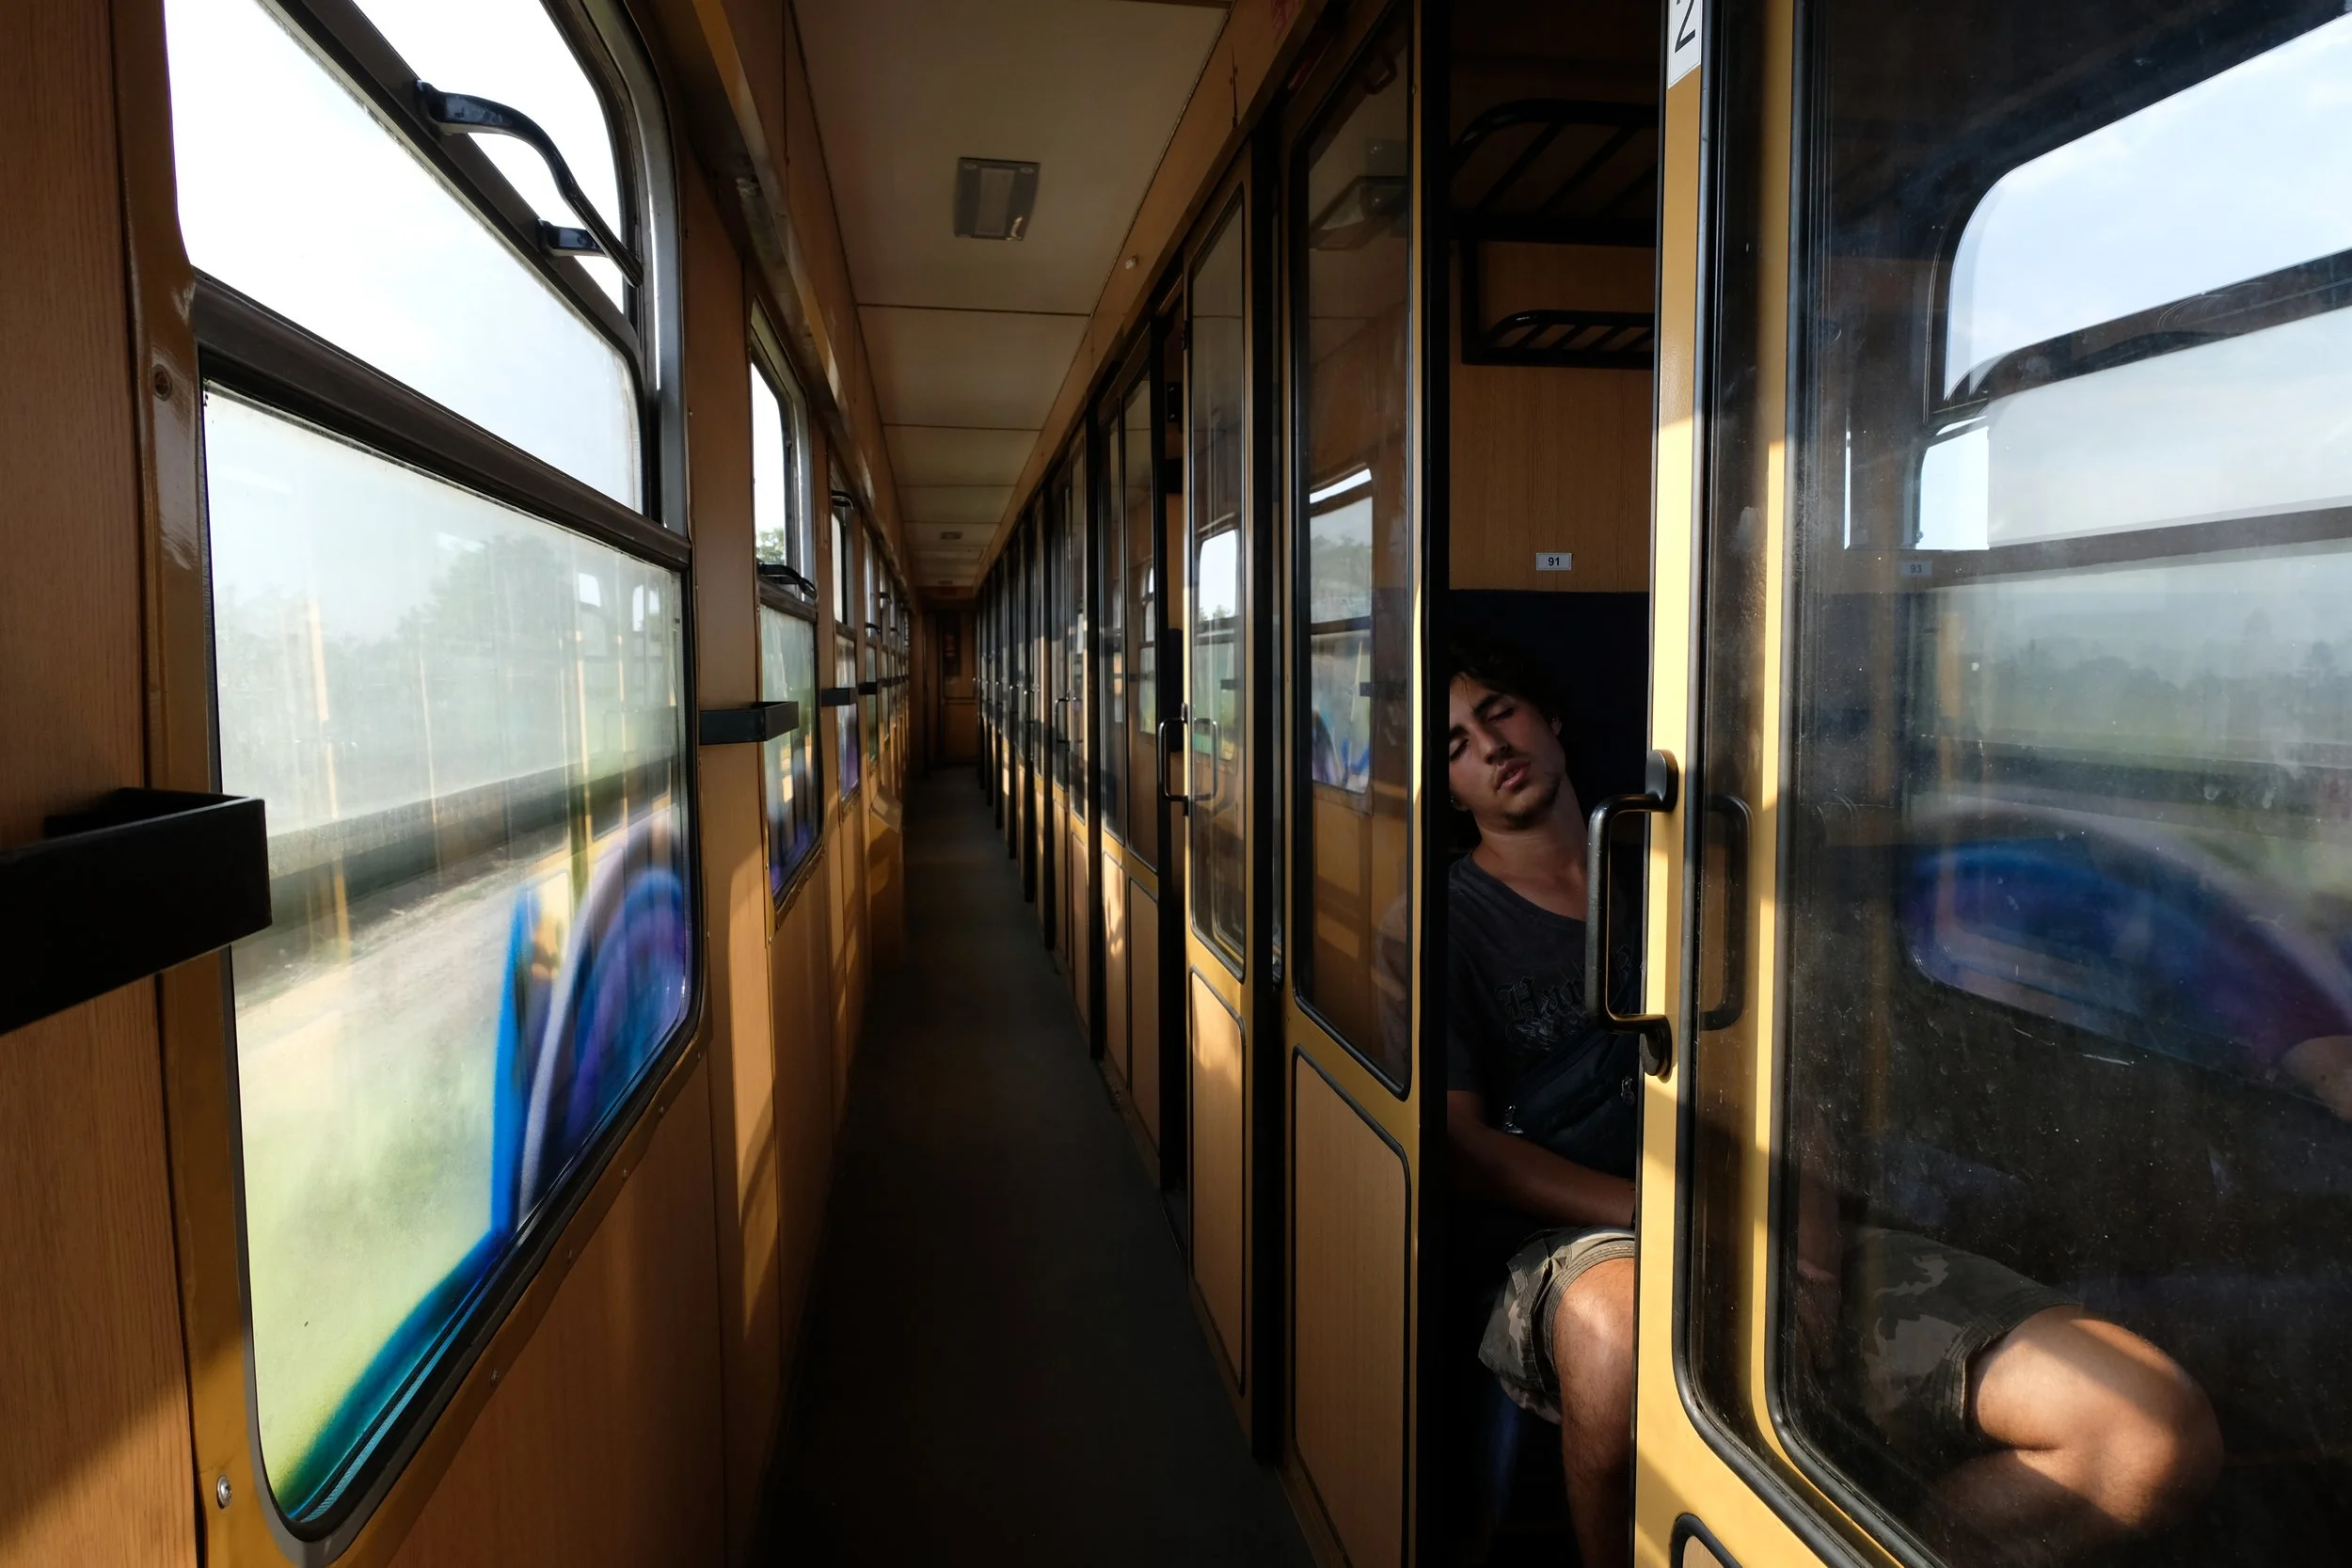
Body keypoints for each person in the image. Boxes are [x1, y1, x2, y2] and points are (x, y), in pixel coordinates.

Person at [1439, 634, 2222, 1568]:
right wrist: (1675, 1212)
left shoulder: (1696, 866)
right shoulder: (1447, 920)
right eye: (1454, 746)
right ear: (1448, 790)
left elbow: (1777, 1066)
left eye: (1500, 714)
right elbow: (1466, 1147)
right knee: (1620, 1334)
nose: (1490, 747)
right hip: (1591, 1232)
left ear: (1550, 719)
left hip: (1771, 1203)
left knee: (2146, 1431)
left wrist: (1797, 1233)